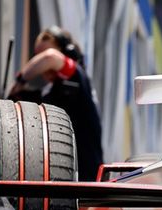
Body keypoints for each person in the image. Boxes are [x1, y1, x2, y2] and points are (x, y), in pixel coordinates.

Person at [9, 26, 104, 182]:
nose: (41, 62)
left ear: (67, 52)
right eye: (37, 56)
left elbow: (50, 58)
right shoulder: (50, 91)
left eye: (42, 54)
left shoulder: (77, 76)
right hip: (65, 176)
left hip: (85, 178)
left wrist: (20, 80)